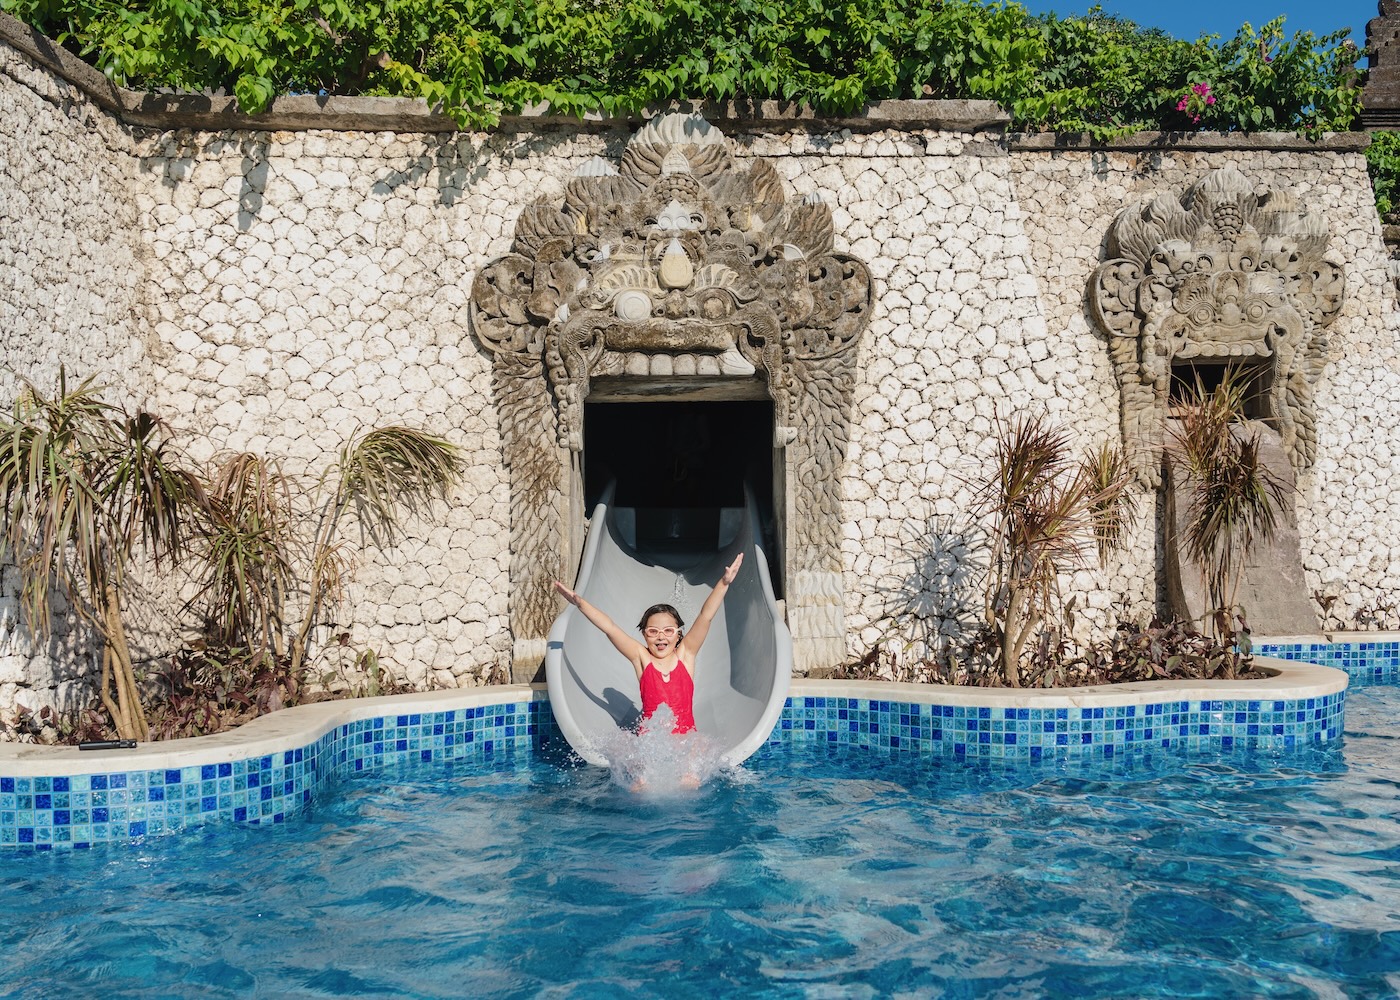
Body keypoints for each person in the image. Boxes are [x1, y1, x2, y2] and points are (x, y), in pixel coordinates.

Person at [552, 553, 743, 736]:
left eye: (668, 631)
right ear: (644, 635)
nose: (661, 637)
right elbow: (610, 628)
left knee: (691, 769)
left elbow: (705, 616)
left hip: (686, 740)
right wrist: (580, 603)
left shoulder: (686, 655)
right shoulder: (642, 658)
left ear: (678, 634)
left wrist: (723, 583)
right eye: (653, 632)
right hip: (650, 742)